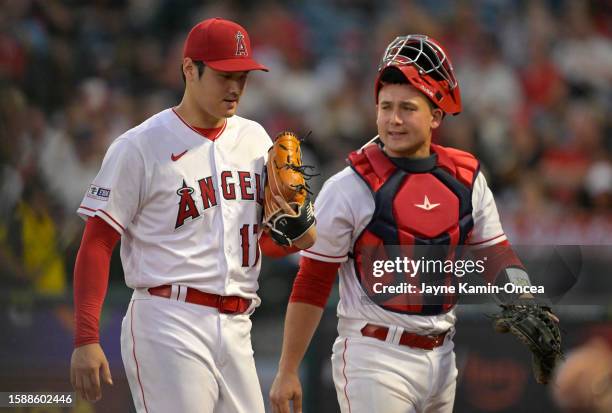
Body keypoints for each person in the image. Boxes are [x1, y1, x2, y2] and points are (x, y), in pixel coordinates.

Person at [269, 34, 541, 413]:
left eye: (408, 108)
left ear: (436, 115)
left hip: (443, 356)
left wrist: (528, 302)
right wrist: (287, 369)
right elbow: (313, 280)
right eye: (386, 107)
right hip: (374, 356)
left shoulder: (466, 176)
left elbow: (497, 255)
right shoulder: (349, 186)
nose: (394, 119)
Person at [70, 17, 285, 413]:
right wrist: (86, 337)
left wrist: (295, 233)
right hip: (169, 319)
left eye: (243, 76)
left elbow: (267, 243)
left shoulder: (255, 139)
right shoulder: (140, 145)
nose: (236, 87)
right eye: (224, 75)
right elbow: (97, 242)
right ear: (190, 69)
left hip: (239, 324)